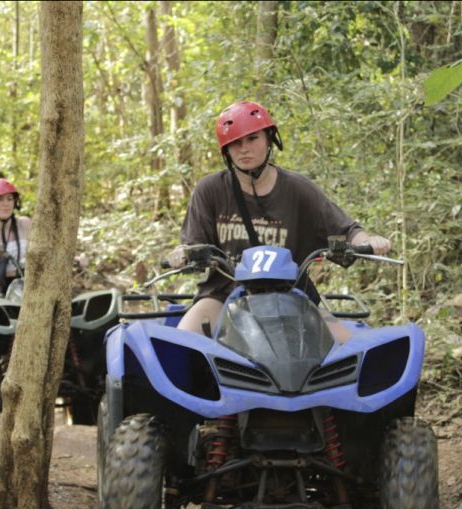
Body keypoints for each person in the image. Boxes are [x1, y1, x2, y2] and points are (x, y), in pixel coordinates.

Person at [167, 101, 391, 340]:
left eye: (252, 139)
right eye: (236, 142)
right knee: (183, 344)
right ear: (226, 150)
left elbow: (346, 229)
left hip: (292, 294)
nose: (244, 149)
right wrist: (182, 254)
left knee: (352, 349)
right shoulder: (210, 190)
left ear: (269, 139)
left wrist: (368, 240)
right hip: (224, 293)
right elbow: (193, 244)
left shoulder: (297, 189)